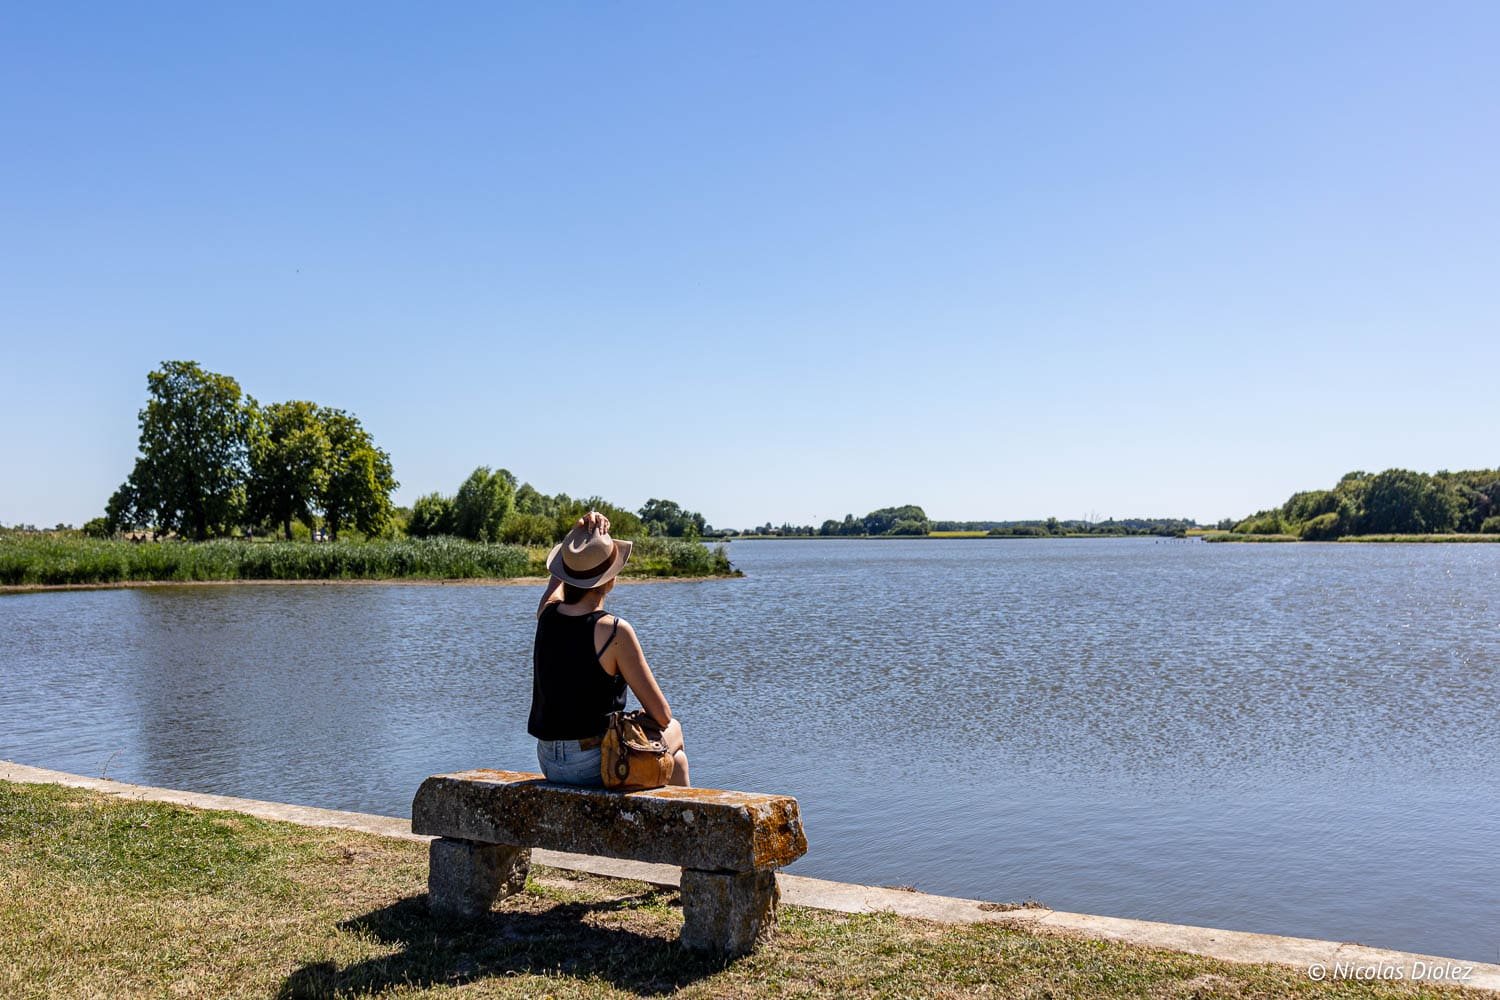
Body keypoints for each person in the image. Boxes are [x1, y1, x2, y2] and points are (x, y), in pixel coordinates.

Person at [528, 510, 690, 787]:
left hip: (549, 761)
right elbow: (661, 715)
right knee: (674, 733)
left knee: (674, 760)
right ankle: (687, 828)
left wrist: (577, 536)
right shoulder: (614, 630)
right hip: (592, 763)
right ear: (610, 580)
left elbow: (555, 583)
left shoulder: (547, 614)